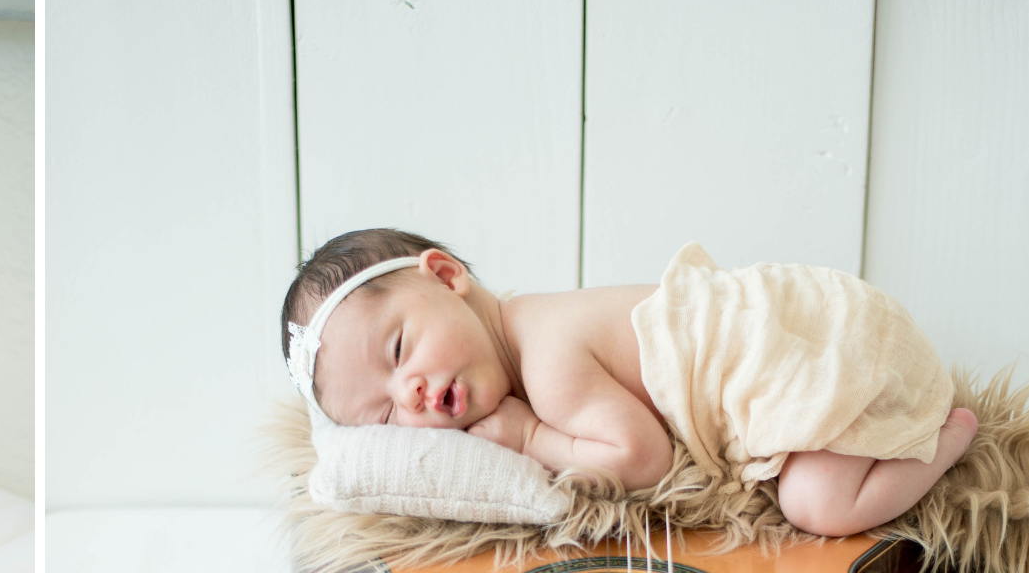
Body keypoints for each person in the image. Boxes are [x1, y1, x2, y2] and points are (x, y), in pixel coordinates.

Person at [281, 228, 979, 537]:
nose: (409, 393)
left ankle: (947, 439)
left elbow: (641, 458)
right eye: (386, 416)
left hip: (821, 347)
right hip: (818, 318)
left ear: (446, 277)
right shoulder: (531, 332)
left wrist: (532, 437)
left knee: (818, 505)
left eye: (399, 348)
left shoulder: (549, 361)